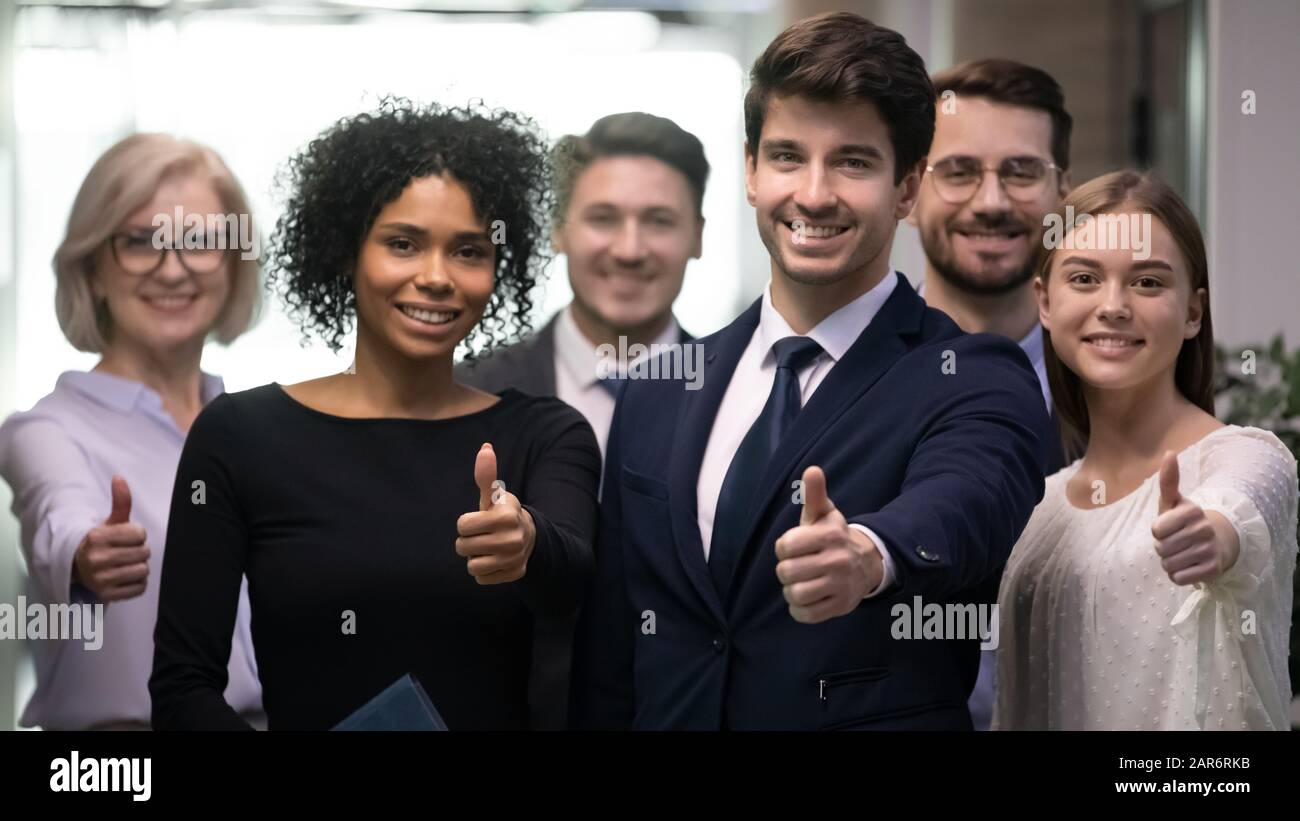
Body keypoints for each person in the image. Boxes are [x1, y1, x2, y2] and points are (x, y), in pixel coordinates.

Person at [572, 12, 1050, 730]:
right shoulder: (662, 383)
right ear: (751, 172)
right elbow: (613, 650)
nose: (816, 193)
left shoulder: (972, 374)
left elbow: (968, 499)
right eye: (789, 156)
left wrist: (869, 552)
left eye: (853, 161)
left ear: (908, 187)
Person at [148, 99, 601, 730]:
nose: (436, 277)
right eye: (403, 244)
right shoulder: (238, 438)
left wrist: (527, 543)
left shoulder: (545, 435)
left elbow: (572, 578)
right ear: (344, 253)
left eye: (469, 251)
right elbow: (182, 688)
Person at [994, 170, 1297, 730]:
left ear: (1192, 312)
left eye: (1148, 283)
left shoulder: (1248, 457)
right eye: (1084, 278)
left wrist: (1213, 533)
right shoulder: (1040, 507)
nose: (1113, 306)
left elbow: (1241, 507)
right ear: (1044, 302)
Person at [0, 133, 264, 729]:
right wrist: (85, 553)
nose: (172, 268)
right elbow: (60, 517)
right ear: (92, 269)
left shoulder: (259, 430)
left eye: (199, 241)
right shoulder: (47, 432)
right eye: (141, 242)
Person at [457, 111, 706, 729]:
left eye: (659, 221)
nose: (629, 248)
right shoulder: (468, 392)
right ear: (559, 230)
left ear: (698, 236)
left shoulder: (747, 395)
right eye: (603, 218)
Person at [908, 58, 1074, 729]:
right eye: (959, 171)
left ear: (1063, 188)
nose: (992, 201)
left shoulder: (1126, 392)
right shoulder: (847, 380)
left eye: (1021, 171)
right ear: (910, 186)